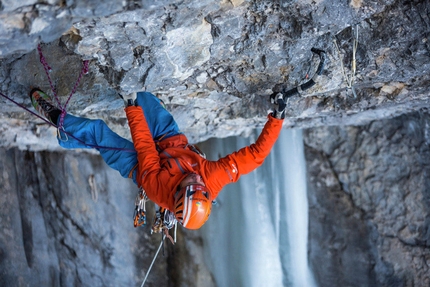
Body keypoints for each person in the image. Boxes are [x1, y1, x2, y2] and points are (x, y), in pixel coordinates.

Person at [29, 88, 286, 230]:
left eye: (190, 185)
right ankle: (149, 104)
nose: (196, 178)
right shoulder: (211, 179)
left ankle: (60, 122)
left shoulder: (156, 188)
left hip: (139, 166)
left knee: (98, 133)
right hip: (172, 142)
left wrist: (130, 107)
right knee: (144, 96)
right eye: (199, 186)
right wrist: (278, 117)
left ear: (177, 196)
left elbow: (144, 149)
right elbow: (255, 156)